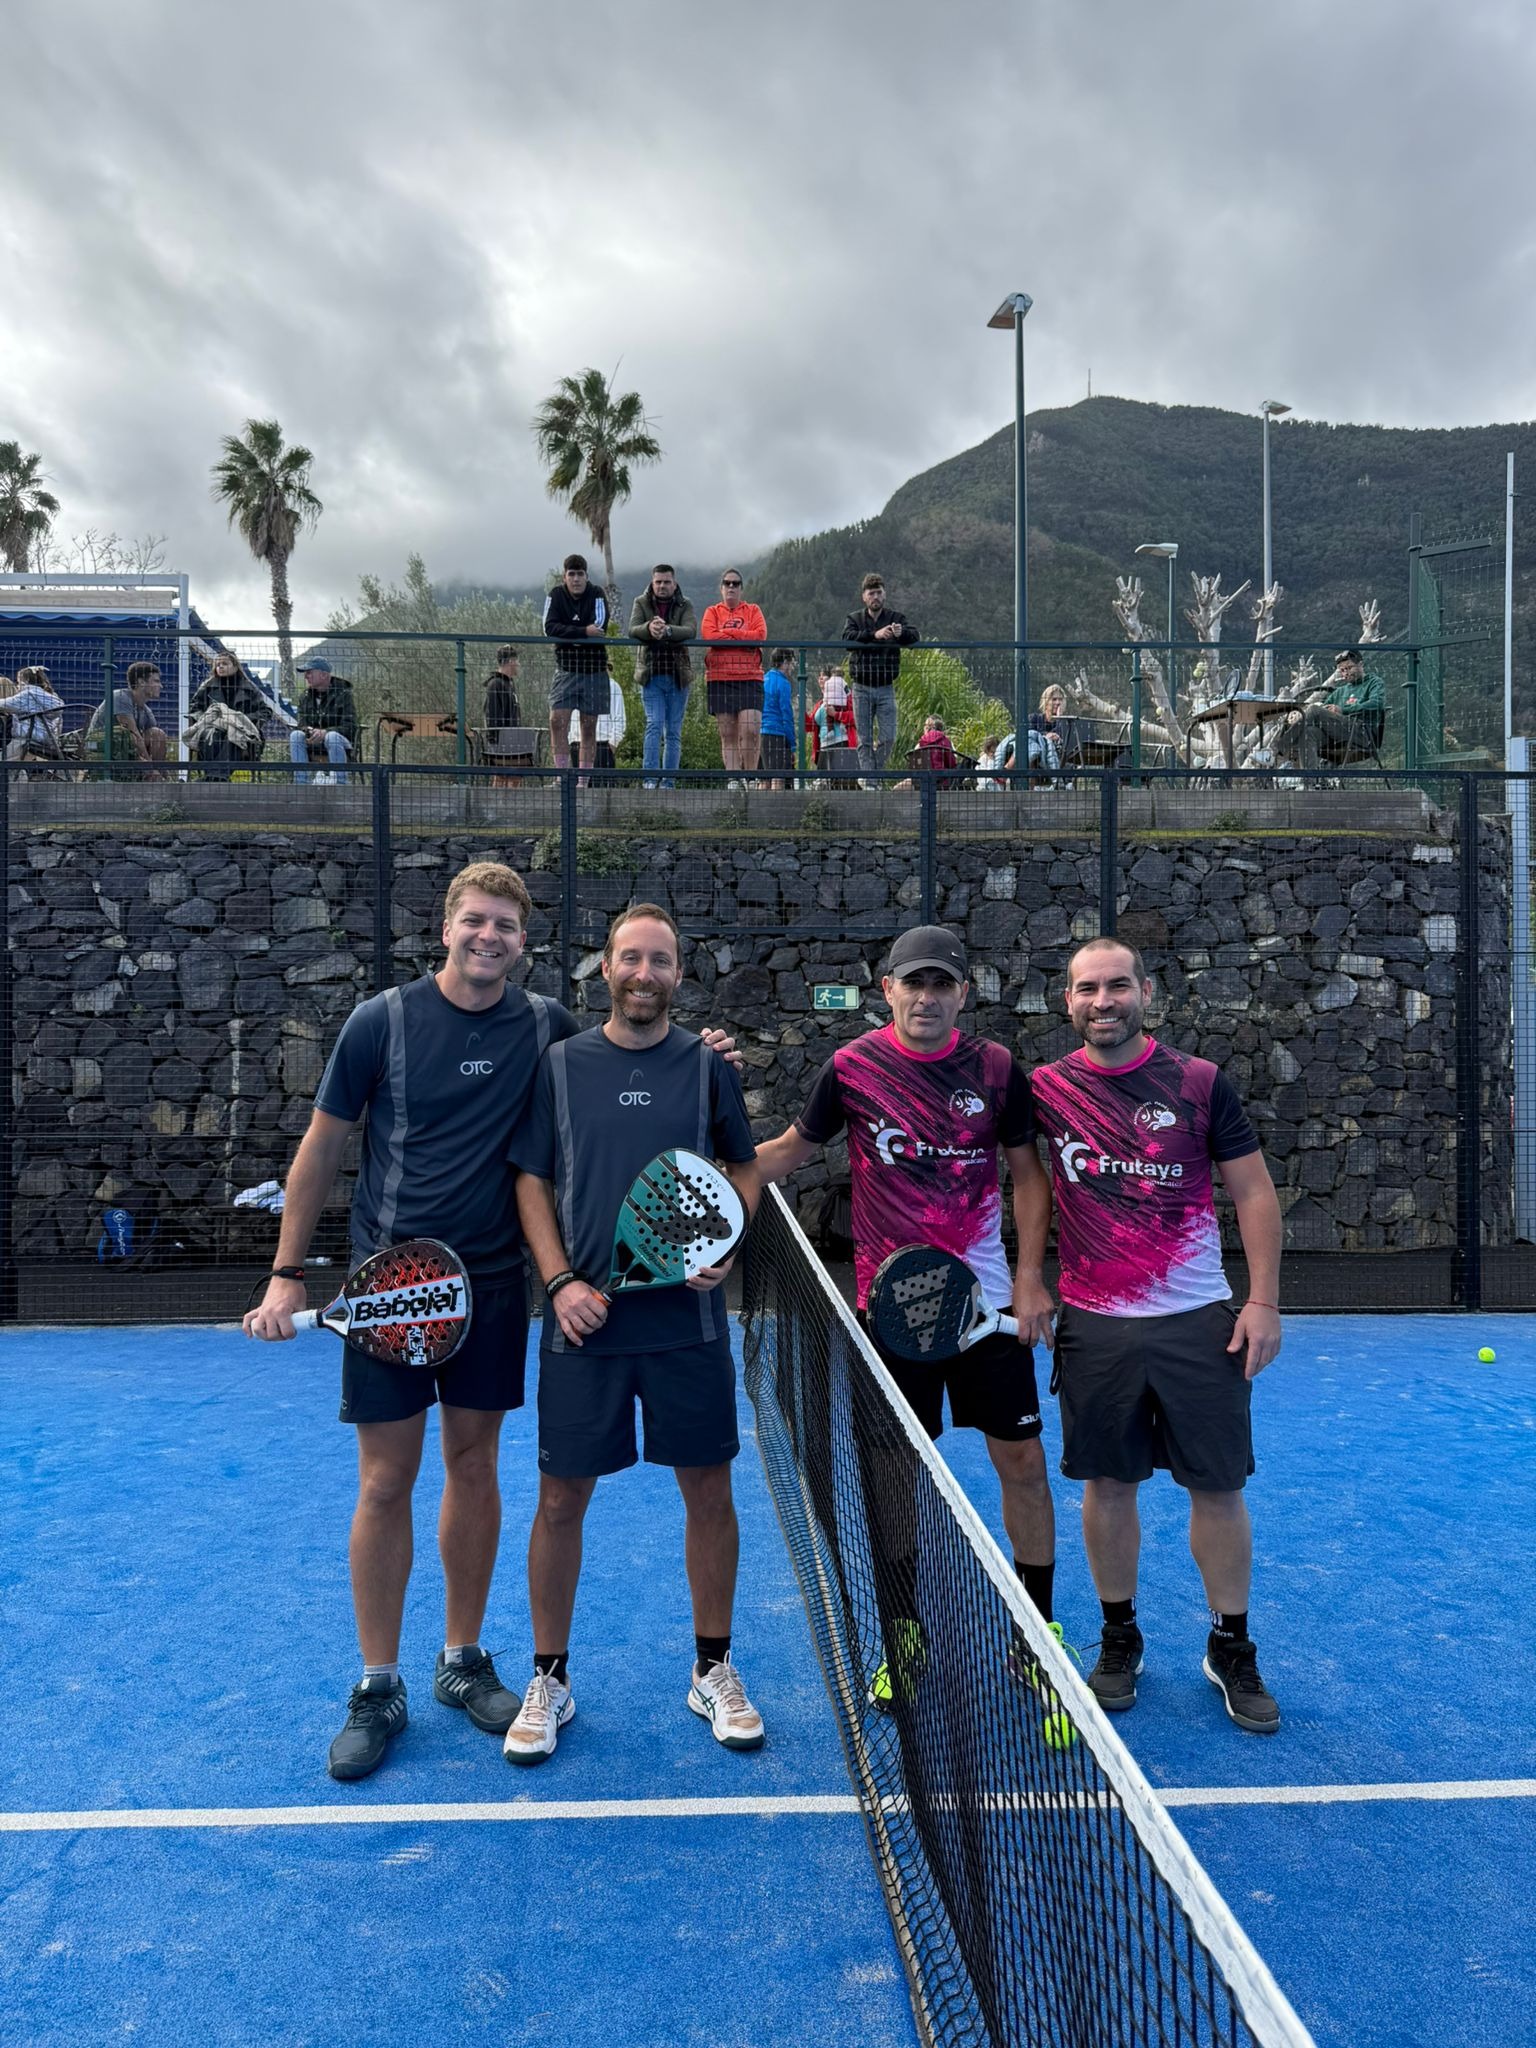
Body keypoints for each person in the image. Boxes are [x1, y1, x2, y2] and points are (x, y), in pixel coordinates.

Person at [243, 865, 744, 1782]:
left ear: (524, 942)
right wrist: (285, 1275)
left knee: (473, 1468)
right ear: (446, 929)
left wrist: (703, 1052)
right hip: (395, 1288)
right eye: (475, 920)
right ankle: (377, 1684)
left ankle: (462, 1660)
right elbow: (321, 1146)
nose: (489, 936)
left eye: (506, 925)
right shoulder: (380, 1023)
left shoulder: (545, 1026)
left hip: (494, 1291)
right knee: (385, 1481)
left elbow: (630, 1047)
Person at [755, 925, 1060, 1701]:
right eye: (913, 983)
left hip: (986, 1309)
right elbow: (788, 1151)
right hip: (891, 1316)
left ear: (963, 994)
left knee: (1023, 1464)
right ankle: (904, 1629)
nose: (927, 997)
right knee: (895, 1473)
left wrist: (1030, 1278)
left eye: (941, 984)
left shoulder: (996, 1069)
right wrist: (717, 1170)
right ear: (886, 989)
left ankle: (1038, 1633)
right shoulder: (851, 1068)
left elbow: (1028, 1176)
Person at [505, 904, 764, 1764]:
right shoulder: (559, 1065)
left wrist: (727, 1241)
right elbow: (532, 1181)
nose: (644, 973)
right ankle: (550, 1679)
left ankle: (713, 1668)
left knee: (709, 1494)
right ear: (605, 967)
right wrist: (560, 1282)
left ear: (678, 974)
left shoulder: (707, 1067)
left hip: (688, 1327)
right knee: (560, 1501)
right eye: (630, 958)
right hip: (584, 1328)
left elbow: (743, 1167)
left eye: (659, 960)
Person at [1028, 936, 1285, 1735]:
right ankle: (1119, 1637)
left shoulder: (1198, 1082)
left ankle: (1230, 1644)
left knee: (1219, 1488)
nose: (1102, 1001)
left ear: (1146, 992)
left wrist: (1263, 1301)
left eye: (1117, 986)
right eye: (1087, 989)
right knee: (1108, 1487)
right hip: (1095, 1327)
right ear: (1068, 1001)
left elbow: (1253, 1193)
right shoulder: (1044, 1090)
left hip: (1198, 1322)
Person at [842, 573, 918, 781]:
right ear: (864, 597)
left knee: (889, 737)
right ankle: (870, 780)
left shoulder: (896, 618)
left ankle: (871, 774)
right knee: (864, 738)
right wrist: (874, 635)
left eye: (878, 593)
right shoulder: (854, 619)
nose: (875, 597)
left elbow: (914, 636)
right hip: (861, 686)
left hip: (886, 686)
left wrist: (901, 633)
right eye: (871, 593)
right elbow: (847, 639)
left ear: (884, 595)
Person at [628, 565, 696, 790]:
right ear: (652, 582)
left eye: (666, 582)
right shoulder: (641, 602)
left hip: (678, 677)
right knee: (654, 724)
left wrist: (667, 631)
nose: (662, 586)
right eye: (658, 582)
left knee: (673, 732)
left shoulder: (685, 604)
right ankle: (649, 779)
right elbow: (632, 629)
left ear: (674, 584)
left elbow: (691, 630)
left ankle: (668, 782)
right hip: (651, 676)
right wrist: (649, 628)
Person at [544, 554, 608, 776]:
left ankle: (583, 780)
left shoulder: (597, 593)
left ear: (586, 576)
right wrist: (582, 631)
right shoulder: (555, 595)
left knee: (588, 726)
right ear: (565, 577)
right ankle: (562, 776)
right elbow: (549, 628)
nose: (576, 579)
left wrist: (568, 633)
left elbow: (599, 626)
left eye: (580, 574)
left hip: (594, 670)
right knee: (557, 721)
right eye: (571, 574)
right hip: (566, 668)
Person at [700, 571, 766, 786]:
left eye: (735, 584)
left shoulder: (753, 610)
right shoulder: (712, 612)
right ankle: (734, 779)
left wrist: (729, 635)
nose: (731, 587)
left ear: (741, 588)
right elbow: (710, 636)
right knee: (728, 733)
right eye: (727, 583)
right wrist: (743, 639)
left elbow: (760, 635)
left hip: (750, 677)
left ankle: (751, 778)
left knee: (751, 730)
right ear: (721, 588)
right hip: (720, 677)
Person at [1280, 647, 1385, 769]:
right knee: (1308, 732)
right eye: (1342, 670)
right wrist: (1298, 716)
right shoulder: (1340, 692)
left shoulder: (1374, 682)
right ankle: (1309, 779)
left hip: (1361, 733)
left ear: (1360, 664)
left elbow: (1377, 703)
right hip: (1336, 734)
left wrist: (1343, 710)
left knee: (1314, 710)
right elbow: (1322, 709)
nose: (1346, 673)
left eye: (1349, 668)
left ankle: (1279, 748)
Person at [188, 654, 269, 778]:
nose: (220, 667)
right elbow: (194, 708)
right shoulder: (207, 687)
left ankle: (213, 777)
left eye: (225, 664)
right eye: (217, 665)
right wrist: (208, 718)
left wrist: (241, 719)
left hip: (241, 729)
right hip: (213, 725)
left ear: (235, 667)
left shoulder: (249, 688)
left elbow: (265, 711)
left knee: (233, 735)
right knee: (213, 735)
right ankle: (218, 777)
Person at [85, 662, 166, 773]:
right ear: (141, 682)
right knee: (132, 736)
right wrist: (149, 767)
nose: (160, 686)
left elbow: (154, 739)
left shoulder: (146, 711)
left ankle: (158, 777)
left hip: (124, 747)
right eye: (156, 681)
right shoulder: (120, 697)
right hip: (101, 746)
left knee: (157, 734)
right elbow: (134, 734)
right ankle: (151, 775)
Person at [289, 658, 358, 785]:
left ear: (324, 675)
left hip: (340, 742)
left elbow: (350, 727)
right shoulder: (305, 697)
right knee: (296, 735)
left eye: (309, 672)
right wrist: (309, 731)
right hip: (313, 741)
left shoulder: (344, 695)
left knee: (332, 737)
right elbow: (301, 723)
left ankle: (340, 785)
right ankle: (300, 784)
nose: (306, 676)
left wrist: (325, 732)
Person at [567, 672, 627, 782]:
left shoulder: (612, 686)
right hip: (577, 745)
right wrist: (572, 739)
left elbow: (620, 719)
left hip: (601, 746)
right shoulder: (574, 685)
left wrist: (611, 745)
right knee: (578, 790)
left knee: (601, 789)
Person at [1, 665, 67, 763]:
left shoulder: (28, 695)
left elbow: (5, 704)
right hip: (47, 736)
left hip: (30, 735)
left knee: (6, 758)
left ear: (25, 681)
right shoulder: (45, 696)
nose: (17, 686)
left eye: (18, 682)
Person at [480, 646, 525, 786]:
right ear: (510, 661)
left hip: (512, 739)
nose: (518, 664)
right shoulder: (495, 684)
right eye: (517, 660)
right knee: (501, 776)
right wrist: (498, 743)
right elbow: (493, 717)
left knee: (515, 777)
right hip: (501, 741)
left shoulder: (509, 684)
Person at [808, 670, 858, 786]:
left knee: (842, 784)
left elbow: (855, 717)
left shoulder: (846, 698)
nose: (821, 678)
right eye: (819, 676)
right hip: (824, 747)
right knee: (824, 784)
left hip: (841, 744)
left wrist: (836, 715)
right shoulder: (820, 705)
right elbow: (811, 726)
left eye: (824, 676)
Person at [1028, 685, 1084, 776]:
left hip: (1058, 761)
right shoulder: (1034, 718)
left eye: (1060, 699)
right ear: (1046, 702)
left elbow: (1062, 739)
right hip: (1036, 760)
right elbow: (1029, 737)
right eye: (1054, 699)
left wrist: (1059, 718)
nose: (1058, 702)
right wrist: (1045, 737)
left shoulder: (1066, 723)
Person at [760, 646, 797, 788]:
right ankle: (777, 802)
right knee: (778, 777)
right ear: (785, 663)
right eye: (791, 663)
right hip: (777, 733)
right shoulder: (783, 683)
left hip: (761, 732)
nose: (792, 667)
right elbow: (786, 714)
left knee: (764, 779)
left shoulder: (763, 679)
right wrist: (792, 744)